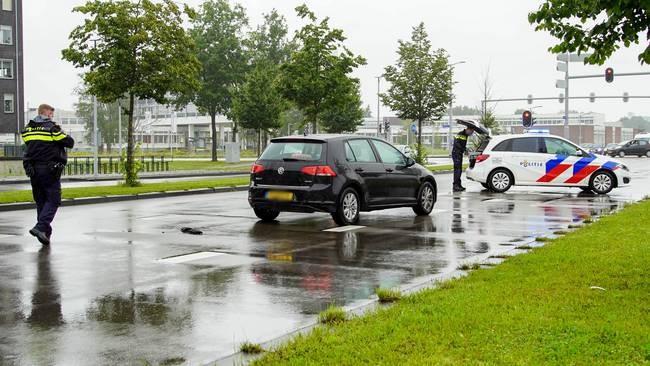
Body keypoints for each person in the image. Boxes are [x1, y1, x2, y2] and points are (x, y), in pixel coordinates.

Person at [21, 104, 74, 245]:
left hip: (33, 170)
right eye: (51, 113)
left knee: (41, 202)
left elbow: (30, 146)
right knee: (53, 199)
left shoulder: (27, 129)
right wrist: (59, 130)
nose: (52, 115)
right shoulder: (52, 128)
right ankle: (40, 227)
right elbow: (69, 142)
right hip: (49, 169)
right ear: (47, 113)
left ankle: (44, 233)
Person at [452, 127, 474, 192]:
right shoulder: (460, 134)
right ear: (468, 129)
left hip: (459, 153)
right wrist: (464, 149)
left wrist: (466, 149)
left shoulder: (465, 135)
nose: (471, 134)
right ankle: (455, 186)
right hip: (456, 153)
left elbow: (462, 145)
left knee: (459, 170)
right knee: (457, 170)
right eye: (471, 132)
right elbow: (457, 144)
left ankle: (458, 185)